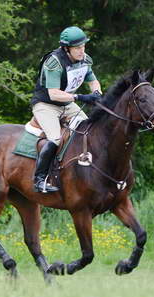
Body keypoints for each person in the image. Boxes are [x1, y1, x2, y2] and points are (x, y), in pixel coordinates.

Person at [30, 26, 102, 193]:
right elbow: (54, 94)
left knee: (90, 130)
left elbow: (93, 82)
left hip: (67, 103)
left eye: (83, 46)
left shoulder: (84, 59)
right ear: (66, 48)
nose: (81, 51)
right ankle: (40, 179)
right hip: (46, 105)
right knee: (55, 139)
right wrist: (81, 97)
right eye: (77, 48)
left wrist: (97, 93)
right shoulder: (54, 63)